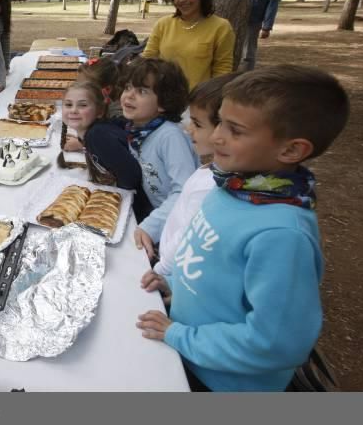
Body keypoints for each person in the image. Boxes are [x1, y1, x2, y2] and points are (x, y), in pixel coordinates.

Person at [138, 65, 350, 392]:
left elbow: (274, 342)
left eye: (235, 130)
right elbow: (213, 266)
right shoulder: (230, 187)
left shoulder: (281, 235)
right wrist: (173, 284)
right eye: (219, 121)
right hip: (186, 350)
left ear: (291, 150)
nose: (218, 135)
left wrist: (178, 334)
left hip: (222, 382)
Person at [142, 72, 241, 278]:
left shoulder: (212, 186)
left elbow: (187, 235)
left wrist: (160, 272)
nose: (188, 129)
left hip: (169, 271)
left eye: (196, 123)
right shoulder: (211, 170)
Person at [120, 58, 199, 259]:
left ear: (163, 103)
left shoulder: (170, 136)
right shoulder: (139, 130)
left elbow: (185, 191)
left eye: (142, 91)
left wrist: (151, 227)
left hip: (180, 225)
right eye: (128, 87)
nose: (129, 95)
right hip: (159, 215)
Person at [142, 0, 234, 90]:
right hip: (161, 98)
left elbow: (222, 70)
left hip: (198, 100)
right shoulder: (163, 24)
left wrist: (211, 100)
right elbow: (147, 59)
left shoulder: (221, 27)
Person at [62, 80, 143, 197]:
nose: (73, 110)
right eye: (68, 104)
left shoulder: (98, 136)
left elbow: (131, 178)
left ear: (99, 111)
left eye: (83, 105)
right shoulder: (93, 132)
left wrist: (109, 196)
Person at [243, 0, 280, 70]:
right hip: (235, 21)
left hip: (253, 22)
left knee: (248, 54)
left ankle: (245, 78)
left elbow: (272, 6)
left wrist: (267, 27)